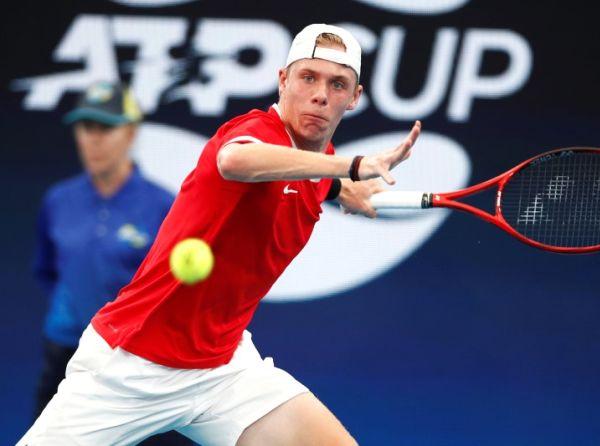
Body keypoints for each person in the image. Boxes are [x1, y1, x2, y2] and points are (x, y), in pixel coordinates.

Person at [20, 24, 421, 445]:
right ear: (283, 80)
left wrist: (339, 187)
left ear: (354, 97)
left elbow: (307, 172)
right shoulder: (255, 133)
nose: (320, 94)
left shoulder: (320, 164)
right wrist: (351, 170)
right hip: (130, 365)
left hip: (221, 371)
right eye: (308, 77)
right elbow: (237, 161)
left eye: (337, 84)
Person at [30, 81, 190, 445]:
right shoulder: (58, 200)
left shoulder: (164, 206)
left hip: (137, 363)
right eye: (87, 128)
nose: (94, 139)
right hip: (66, 355)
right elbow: (48, 271)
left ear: (131, 133)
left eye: (106, 127)